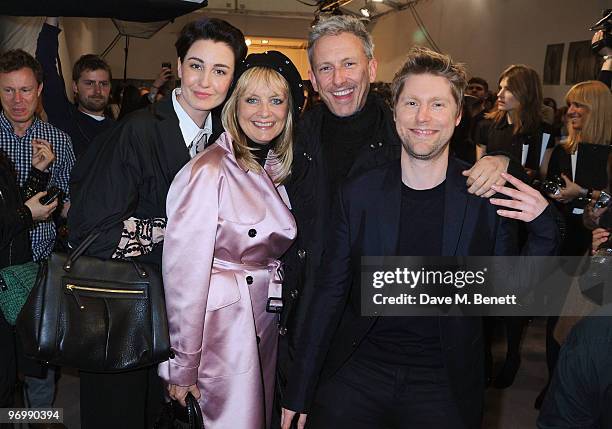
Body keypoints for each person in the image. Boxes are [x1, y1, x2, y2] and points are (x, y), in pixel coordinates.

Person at [281, 46, 559, 429]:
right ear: (395, 112)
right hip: (358, 371)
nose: (422, 117)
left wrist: (545, 224)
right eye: (411, 103)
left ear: (458, 115)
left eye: (438, 105)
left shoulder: (483, 199)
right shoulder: (359, 193)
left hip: (444, 380)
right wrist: (299, 388)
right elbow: (329, 294)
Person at [67, 18, 246, 429]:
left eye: (220, 71)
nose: (205, 80)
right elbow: (91, 233)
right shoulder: (138, 130)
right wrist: (181, 234)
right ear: (179, 66)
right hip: (123, 319)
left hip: (182, 326)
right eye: (196, 65)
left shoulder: (224, 140)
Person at [159, 50, 302, 429]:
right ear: (234, 105)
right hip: (221, 334)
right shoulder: (209, 170)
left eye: (276, 100)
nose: (264, 111)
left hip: (258, 324)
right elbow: (183, 280)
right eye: (251, 99)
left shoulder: (269, 166)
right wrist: (182, 366)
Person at [0, 48, 74, 415]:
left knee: (39, 365)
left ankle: (37, 422)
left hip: (41, 268)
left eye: (25, 90)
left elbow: (68, 205)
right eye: (8, 90)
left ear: (40, 89)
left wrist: (59, 206)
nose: (17, 100)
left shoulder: (58, 140)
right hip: (0, 267)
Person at [474, 64, 555, 388]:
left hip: (526, 221)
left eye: (508, 88)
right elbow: (478, 171)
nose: (501, 93)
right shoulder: (487, 126)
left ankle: (512, 356)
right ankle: (486, 357)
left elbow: (546, 178)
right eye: (500, 86)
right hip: (492, 218)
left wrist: (525, 176)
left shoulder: (542, 131)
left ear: (525, 93)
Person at [535, 79, 612, 409]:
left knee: (586, 322)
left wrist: (584, 195)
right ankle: (555, 384)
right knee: (558, 320)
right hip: (565, 239)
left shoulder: (609, 154)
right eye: (570, 104)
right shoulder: (562, 149)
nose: (572, 111)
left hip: (597, 249)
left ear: (599, 110)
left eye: (580, 105)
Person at [0, 148, 57, 412]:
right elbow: (14, 216)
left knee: (14, 375)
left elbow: (8, 210)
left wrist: (37, 174)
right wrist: (25, 213)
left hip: (10, 286)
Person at [36, 17, 115, 159]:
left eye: (103, 84)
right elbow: (45, 62)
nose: (97, 91)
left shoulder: (118, 130)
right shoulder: (64, 116)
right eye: (89, 83)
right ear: (75, 87)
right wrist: (53, 15)